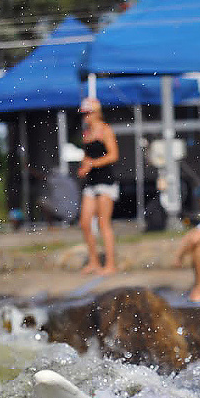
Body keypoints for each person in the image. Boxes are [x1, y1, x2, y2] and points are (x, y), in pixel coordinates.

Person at [77, 97, 120, 275]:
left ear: (95, 113)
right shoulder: (86, 133)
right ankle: (94, 261)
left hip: (105, 182)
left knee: (103, 223)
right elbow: (89, 156)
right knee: (85, 223)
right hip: (91, 182)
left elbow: (113, 156)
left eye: (87, 113)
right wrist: (84, 165)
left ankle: (110, 264)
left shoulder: (105, 130)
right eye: (83, 113)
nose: (85, 116)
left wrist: (92, 164)